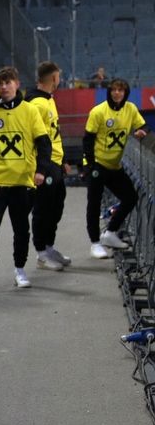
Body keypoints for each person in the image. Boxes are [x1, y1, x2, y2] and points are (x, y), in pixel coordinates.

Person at [0, 66, 51, 291]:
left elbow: (44, 143)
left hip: (23, 182)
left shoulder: (30, 111)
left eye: (8, 82)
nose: (3, 87)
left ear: (17, 84)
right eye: (0, 83)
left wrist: (41, 170)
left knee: (21, 229)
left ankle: (20, 270)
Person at [83, 78, 148, 258]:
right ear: (109, 92)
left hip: (114, 165)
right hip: (97, 164)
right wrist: (90, 166)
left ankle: (110, 233)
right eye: (114, 90)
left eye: (121, 90)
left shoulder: (131, 109)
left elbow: (143, 125)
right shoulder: (98, 111)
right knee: (94, 204)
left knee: (131, 197)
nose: (117, 93)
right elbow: (87, 140)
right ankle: (95, 243)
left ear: (125, 93)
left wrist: (143, 131)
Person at [26, 61, 71, 271]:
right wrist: (40, 168)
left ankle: (50, 247)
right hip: (44, 163)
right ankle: (41, 254)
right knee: (43, 209)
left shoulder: (48, 100)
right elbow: (35, 138)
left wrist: (62, 160)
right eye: (59, 76)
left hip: (55, 162)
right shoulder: (36, 104)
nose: (59, 80)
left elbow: (54, 134)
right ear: (54, 78)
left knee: (56, 205)